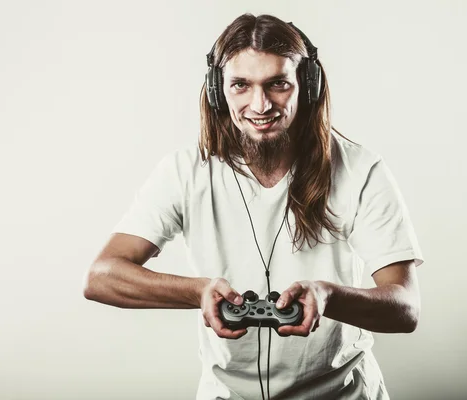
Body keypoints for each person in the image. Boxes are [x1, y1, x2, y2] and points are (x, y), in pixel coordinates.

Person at [83, 13, 424, 400]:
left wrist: (330, 296)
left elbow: (406, 307)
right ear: (217, 90)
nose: (260, 104)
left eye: (278, 84)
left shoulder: (362, 170)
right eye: (240, 85)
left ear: (307, 86)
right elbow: (102, 276)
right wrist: (198, 291)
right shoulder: (184, 171)